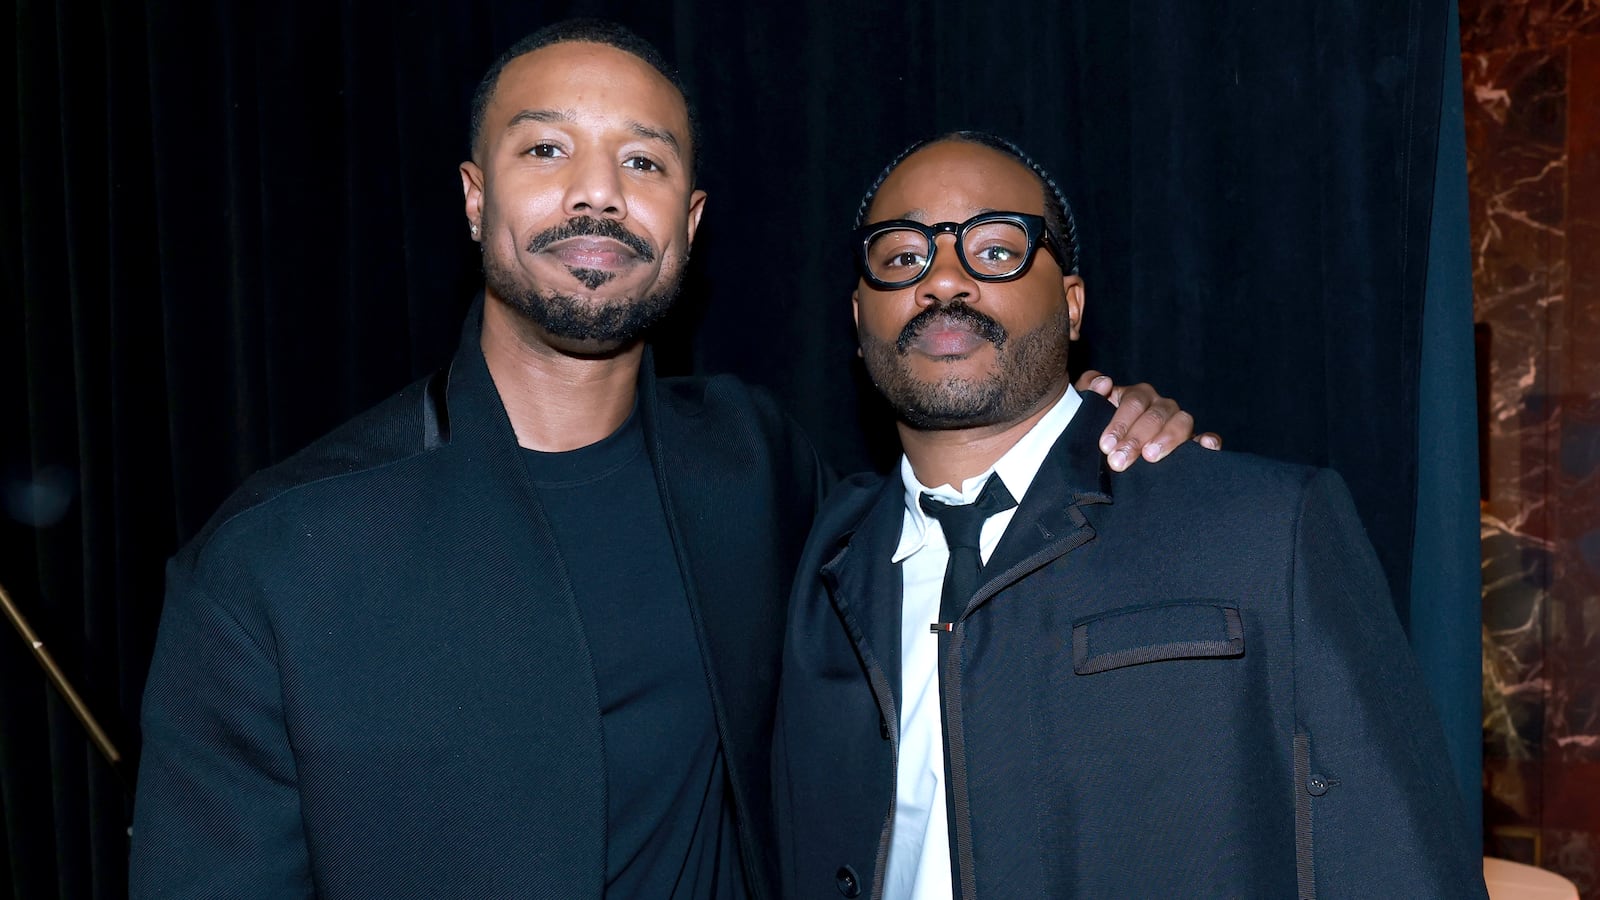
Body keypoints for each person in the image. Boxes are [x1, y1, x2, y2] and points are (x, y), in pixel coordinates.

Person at [128, 22, 1202, 899]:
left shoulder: (755, 468)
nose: (596, 194)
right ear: (472, 196)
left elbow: (963, 517)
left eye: (642, 161)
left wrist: (1094, 420)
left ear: (687, 222)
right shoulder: (276, 559)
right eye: (546, 150)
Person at [771, 131, 1488, 899]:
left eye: (995, 248)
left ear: (1073, 305)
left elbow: (1399, 862)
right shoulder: (818, 559)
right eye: (903, 256)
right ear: (857, 316)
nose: (944, 280)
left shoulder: (1264, 527)